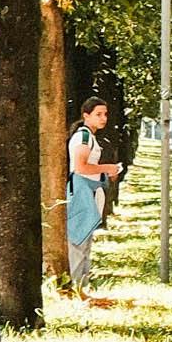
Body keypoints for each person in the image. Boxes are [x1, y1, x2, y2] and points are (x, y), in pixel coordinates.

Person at [63, 97, 118, 297]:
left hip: (90, 189)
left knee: (85, 239)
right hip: (81, 190)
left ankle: (83, 287)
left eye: (105, 114)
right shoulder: (83, 137)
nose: (104, 118)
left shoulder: (90, 137)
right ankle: (78, 288)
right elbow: (81, 167)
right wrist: (108, 167)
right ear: (86, 116)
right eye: (98, 114)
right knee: (79, 239)